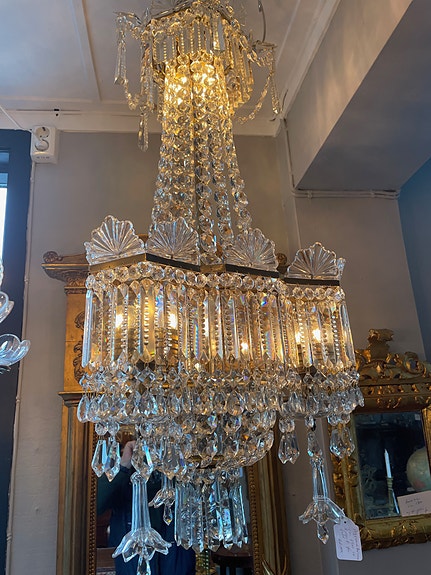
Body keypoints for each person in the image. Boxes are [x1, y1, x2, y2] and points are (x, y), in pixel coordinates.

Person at [97, 441, 196, 575]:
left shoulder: (177, 468)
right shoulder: (123, 475)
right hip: (133, 564)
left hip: (176, 561)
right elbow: (95, 506)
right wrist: (123, 467)